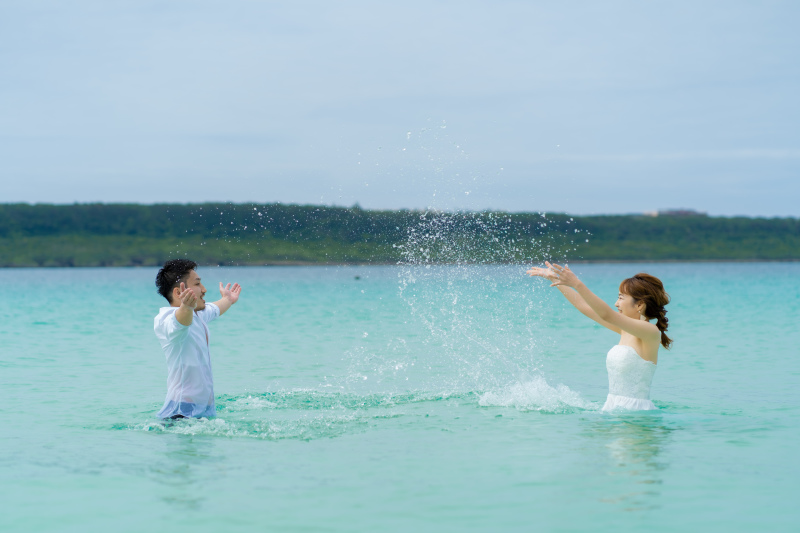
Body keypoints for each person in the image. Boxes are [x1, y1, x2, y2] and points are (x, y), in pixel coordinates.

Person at [527, 262, 672, 411]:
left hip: (638, 414)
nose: (616, 303)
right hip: (613, 409)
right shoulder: (626, 330)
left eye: (621, 298)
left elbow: (606, 314)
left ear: (639, 305)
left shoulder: (650, 332)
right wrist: (556, 281)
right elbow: (584, 307)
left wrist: (577, 284)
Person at [153, 259, 242, 419]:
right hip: (180, 411)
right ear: (179, 293)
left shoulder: (197, 315)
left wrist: (227, 299)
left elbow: (214, 309)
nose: (204, 289)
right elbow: (180, 322)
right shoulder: (165, 319)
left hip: (201, 409)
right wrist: (186, 307)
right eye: (197, 284)